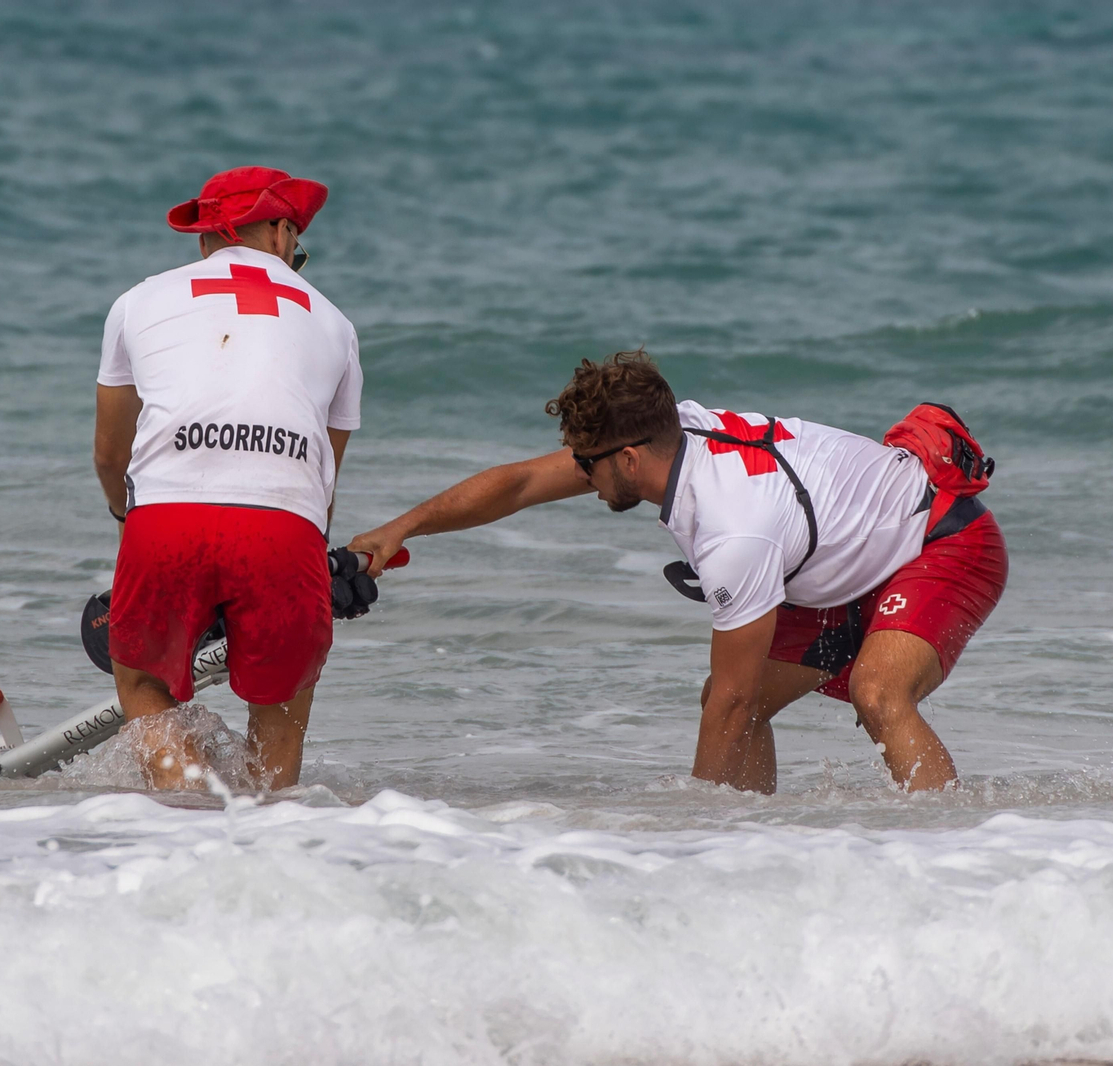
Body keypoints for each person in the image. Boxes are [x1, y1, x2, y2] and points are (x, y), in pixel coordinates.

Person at [349, 351, 1006, 793]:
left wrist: (684, 851)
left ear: (628, 459)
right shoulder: (677, 433)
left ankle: (957, 865)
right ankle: (750, 854)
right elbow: (519, 484)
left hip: (941, 542)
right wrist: (401, 528)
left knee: (873, 693)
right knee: (730, 707)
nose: (579, 473)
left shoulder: (733, 530)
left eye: (586, 462)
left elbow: (734, 697)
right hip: (837, 554)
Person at [94, 166, 362, 791]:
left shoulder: (139, 300)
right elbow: (321, 480)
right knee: (280, 719)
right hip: (283, 529)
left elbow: (111, 455)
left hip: (164, 522)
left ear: (206, 241)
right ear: (280, 232)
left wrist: (123, 517)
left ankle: (182, 794)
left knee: (142, 680)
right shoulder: (336, 323)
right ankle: (267, 844)